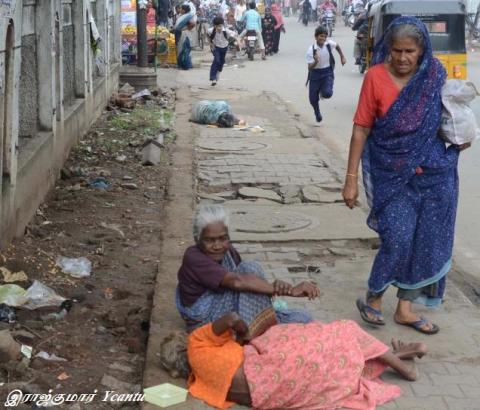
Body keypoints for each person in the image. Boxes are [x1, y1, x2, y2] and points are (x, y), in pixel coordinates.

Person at [342, 16, 471, 335]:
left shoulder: (435, 74)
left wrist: (461, 135)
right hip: (391, 174)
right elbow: (361, 128)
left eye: (409, 51)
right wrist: (351, 178)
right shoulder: (374, 78)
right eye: (396, 50)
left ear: (421, 50)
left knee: (425, 241)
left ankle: (405, 308)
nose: (402, 58)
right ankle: (373, 297)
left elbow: (449, 116)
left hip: (434, 174)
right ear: (388, 49)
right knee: (397, 237)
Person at [161, 312, 428, 409]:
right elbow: (232, 318)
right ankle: (402, 365)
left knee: (328, 357)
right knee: (339, 330)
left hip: (270, 396)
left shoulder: (197, 384)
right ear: (185, 343)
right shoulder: (197, 342)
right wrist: (244, 334)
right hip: (263, 367)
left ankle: (399, 354)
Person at [176, 204, 319, 332]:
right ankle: (256, 335)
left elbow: (248, 287)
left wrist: (274, 288)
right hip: (203, 320)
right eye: (209, 240)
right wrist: (289, 290)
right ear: (197, 239)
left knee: (303, 318)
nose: (217, 246)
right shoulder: (193, 257)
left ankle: (261, 327)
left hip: (227, 308)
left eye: (223, 238)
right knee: (250, 269)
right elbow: (238, 282)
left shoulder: (228, 252)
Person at [306, 25, 346, 123]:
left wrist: (342, 57)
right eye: (321, 36)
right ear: (316, 37)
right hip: (315, 74)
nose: (323, 38)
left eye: (324, 36)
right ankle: (317, 112)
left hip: (327, 72)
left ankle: (323, 91)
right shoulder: (311, 50)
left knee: (327, 93)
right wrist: (316, 61)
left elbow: (337, 46)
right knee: (312, 99)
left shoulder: (329, 44)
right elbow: (309, 67)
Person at [207, 16, 236, 86]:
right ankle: (213, 78)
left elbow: (234, 35)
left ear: (222, 25)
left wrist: (238, 42)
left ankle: (218, 73)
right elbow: (207, 35)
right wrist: (211, 43)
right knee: (216, 60)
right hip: (215, 47)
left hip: (224, 47)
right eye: (217, 26)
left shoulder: (226, 31)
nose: (219, 28)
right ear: (214, 25)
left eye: (220, 26)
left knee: (221, 62)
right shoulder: (211, 30)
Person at [174, 4, 195, 70]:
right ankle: (185, 65)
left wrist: (184, 29)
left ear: (183, 10)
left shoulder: (188, 16)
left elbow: (192, 24)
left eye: (180, 8)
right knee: (182, 50)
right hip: (182, 34)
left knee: (183, 50)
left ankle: (185, 66)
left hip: (185, 35)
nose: (179, 10)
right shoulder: (183, 16)